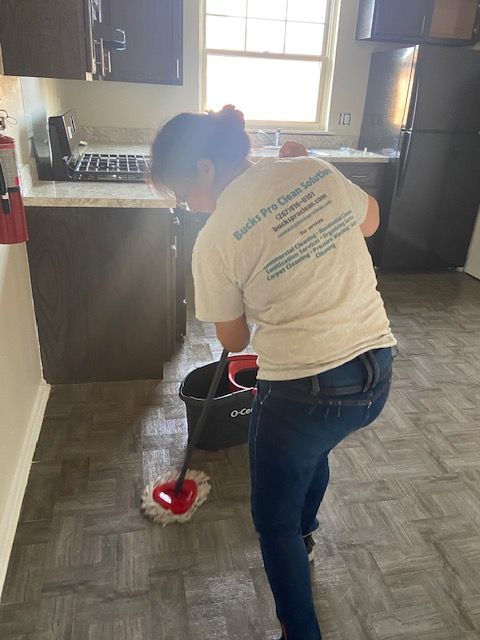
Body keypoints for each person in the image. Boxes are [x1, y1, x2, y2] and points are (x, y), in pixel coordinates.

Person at [150, 105, 396, 640]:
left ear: (206, 169)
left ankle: (300, 632)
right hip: (376, 373)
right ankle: (307, 533)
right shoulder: (308, 168)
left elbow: (235, 341)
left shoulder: (214, 240)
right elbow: (372, 219)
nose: (186, 205)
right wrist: (316, 169)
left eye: (182, 191)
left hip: (303, 394)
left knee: (271, 522)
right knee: (316, 450)